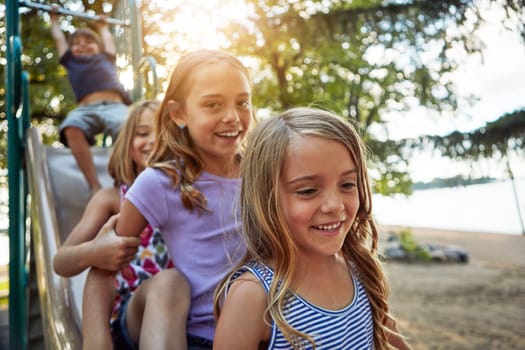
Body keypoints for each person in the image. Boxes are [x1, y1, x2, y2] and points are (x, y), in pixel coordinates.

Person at [213, 107, 413, 350]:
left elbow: (390, 337)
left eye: (347, 184)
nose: (334, 205)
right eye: (308, 190)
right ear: (265, 199)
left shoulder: (358, 269)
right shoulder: (254, 296)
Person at [114, 49, 254, 349]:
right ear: (178, 114)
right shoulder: (160, 182)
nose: (232, 117)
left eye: (242, 102)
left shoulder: (263, 173)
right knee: (170, 282)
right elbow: (105, 264)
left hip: (251, 331)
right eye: (213, 104)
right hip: (189, 333)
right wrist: (96, 338)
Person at [53, 100, 190, 350]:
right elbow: (61, 261)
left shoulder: (189, 196)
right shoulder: (112, 199)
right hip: (135, 314)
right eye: (142, 133)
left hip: (191, 312)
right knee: (169, 283)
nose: (153, 141)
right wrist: (94, 252)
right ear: (128, 144)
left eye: (163, 134)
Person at [50, 5, 132, 193]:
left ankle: (125, 177)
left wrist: (103, 28)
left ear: (98, 47)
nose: (83, 45)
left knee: (128, 127)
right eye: (76, 43)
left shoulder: (106, 58)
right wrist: (54, 20)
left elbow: (108, 40)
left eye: (89, 41)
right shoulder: (70, 61)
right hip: (85, 109)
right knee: (71, 127)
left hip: (114, 106)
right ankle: (94, 185)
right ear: (71, 50)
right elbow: (58, 38)